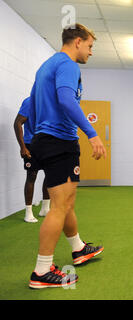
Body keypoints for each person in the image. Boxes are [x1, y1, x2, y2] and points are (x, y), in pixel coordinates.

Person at [28, 24, 106, 289]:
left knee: (67, 202)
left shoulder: (46, 66)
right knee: (59, 206)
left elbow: (32, 106)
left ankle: (79, 248)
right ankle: (41, 271)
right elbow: (66, 99)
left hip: (46, 139)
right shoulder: (69, 65)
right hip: (60, 141)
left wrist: (37, 137)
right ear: (77, 42)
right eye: (90, 46)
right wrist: (92, 133)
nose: (90, 52)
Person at [13, 97, 50, 223]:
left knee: (49, 176)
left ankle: (45, 209)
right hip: (31, 144)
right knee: (31, 176)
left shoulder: (52, 101)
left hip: (48, 144)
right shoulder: (30, 101)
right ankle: (28, 212)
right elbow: (17, 122)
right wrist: (22, 147)